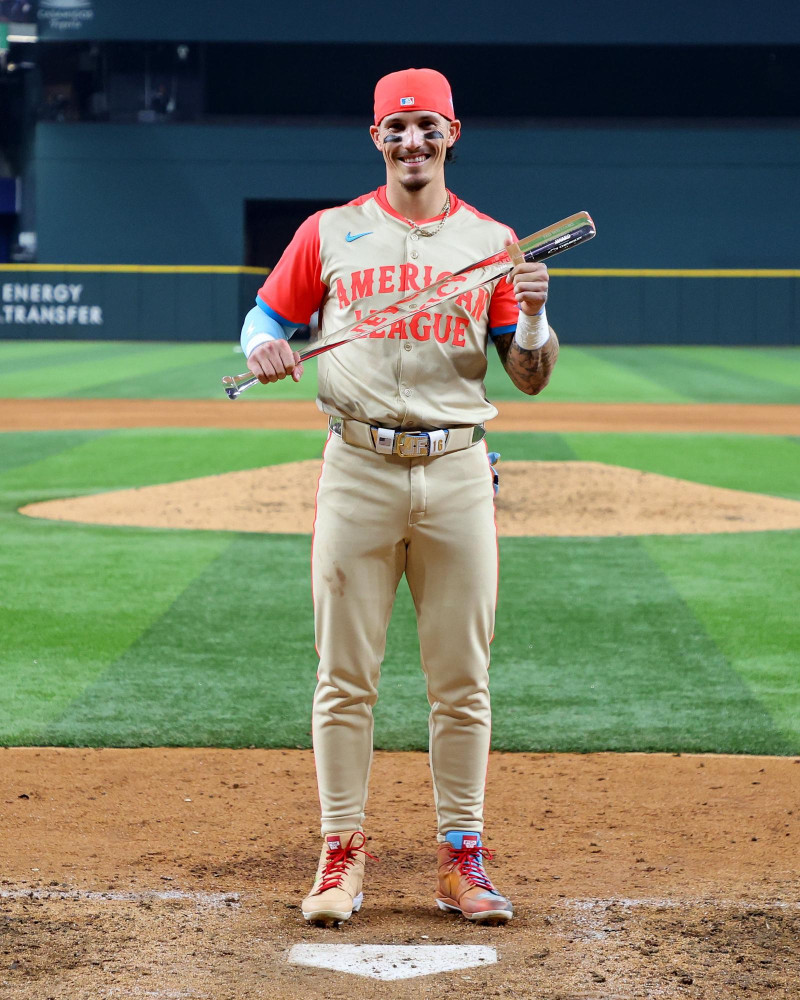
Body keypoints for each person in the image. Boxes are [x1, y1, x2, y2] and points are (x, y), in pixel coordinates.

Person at [240, 68, 558, 926]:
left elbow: (526, 376)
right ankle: (341, 852)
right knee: (345, 679)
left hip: (456, 469)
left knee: (463, 680)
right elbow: (266, 320)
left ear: (453, 132)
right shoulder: (330, 231)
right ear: (375, 138)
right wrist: (266, 345)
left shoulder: (493, 242)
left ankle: (463, 856)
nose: (411, 142)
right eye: (396, 128)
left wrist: (531, 318)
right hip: (357, 467)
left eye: (426, 126)